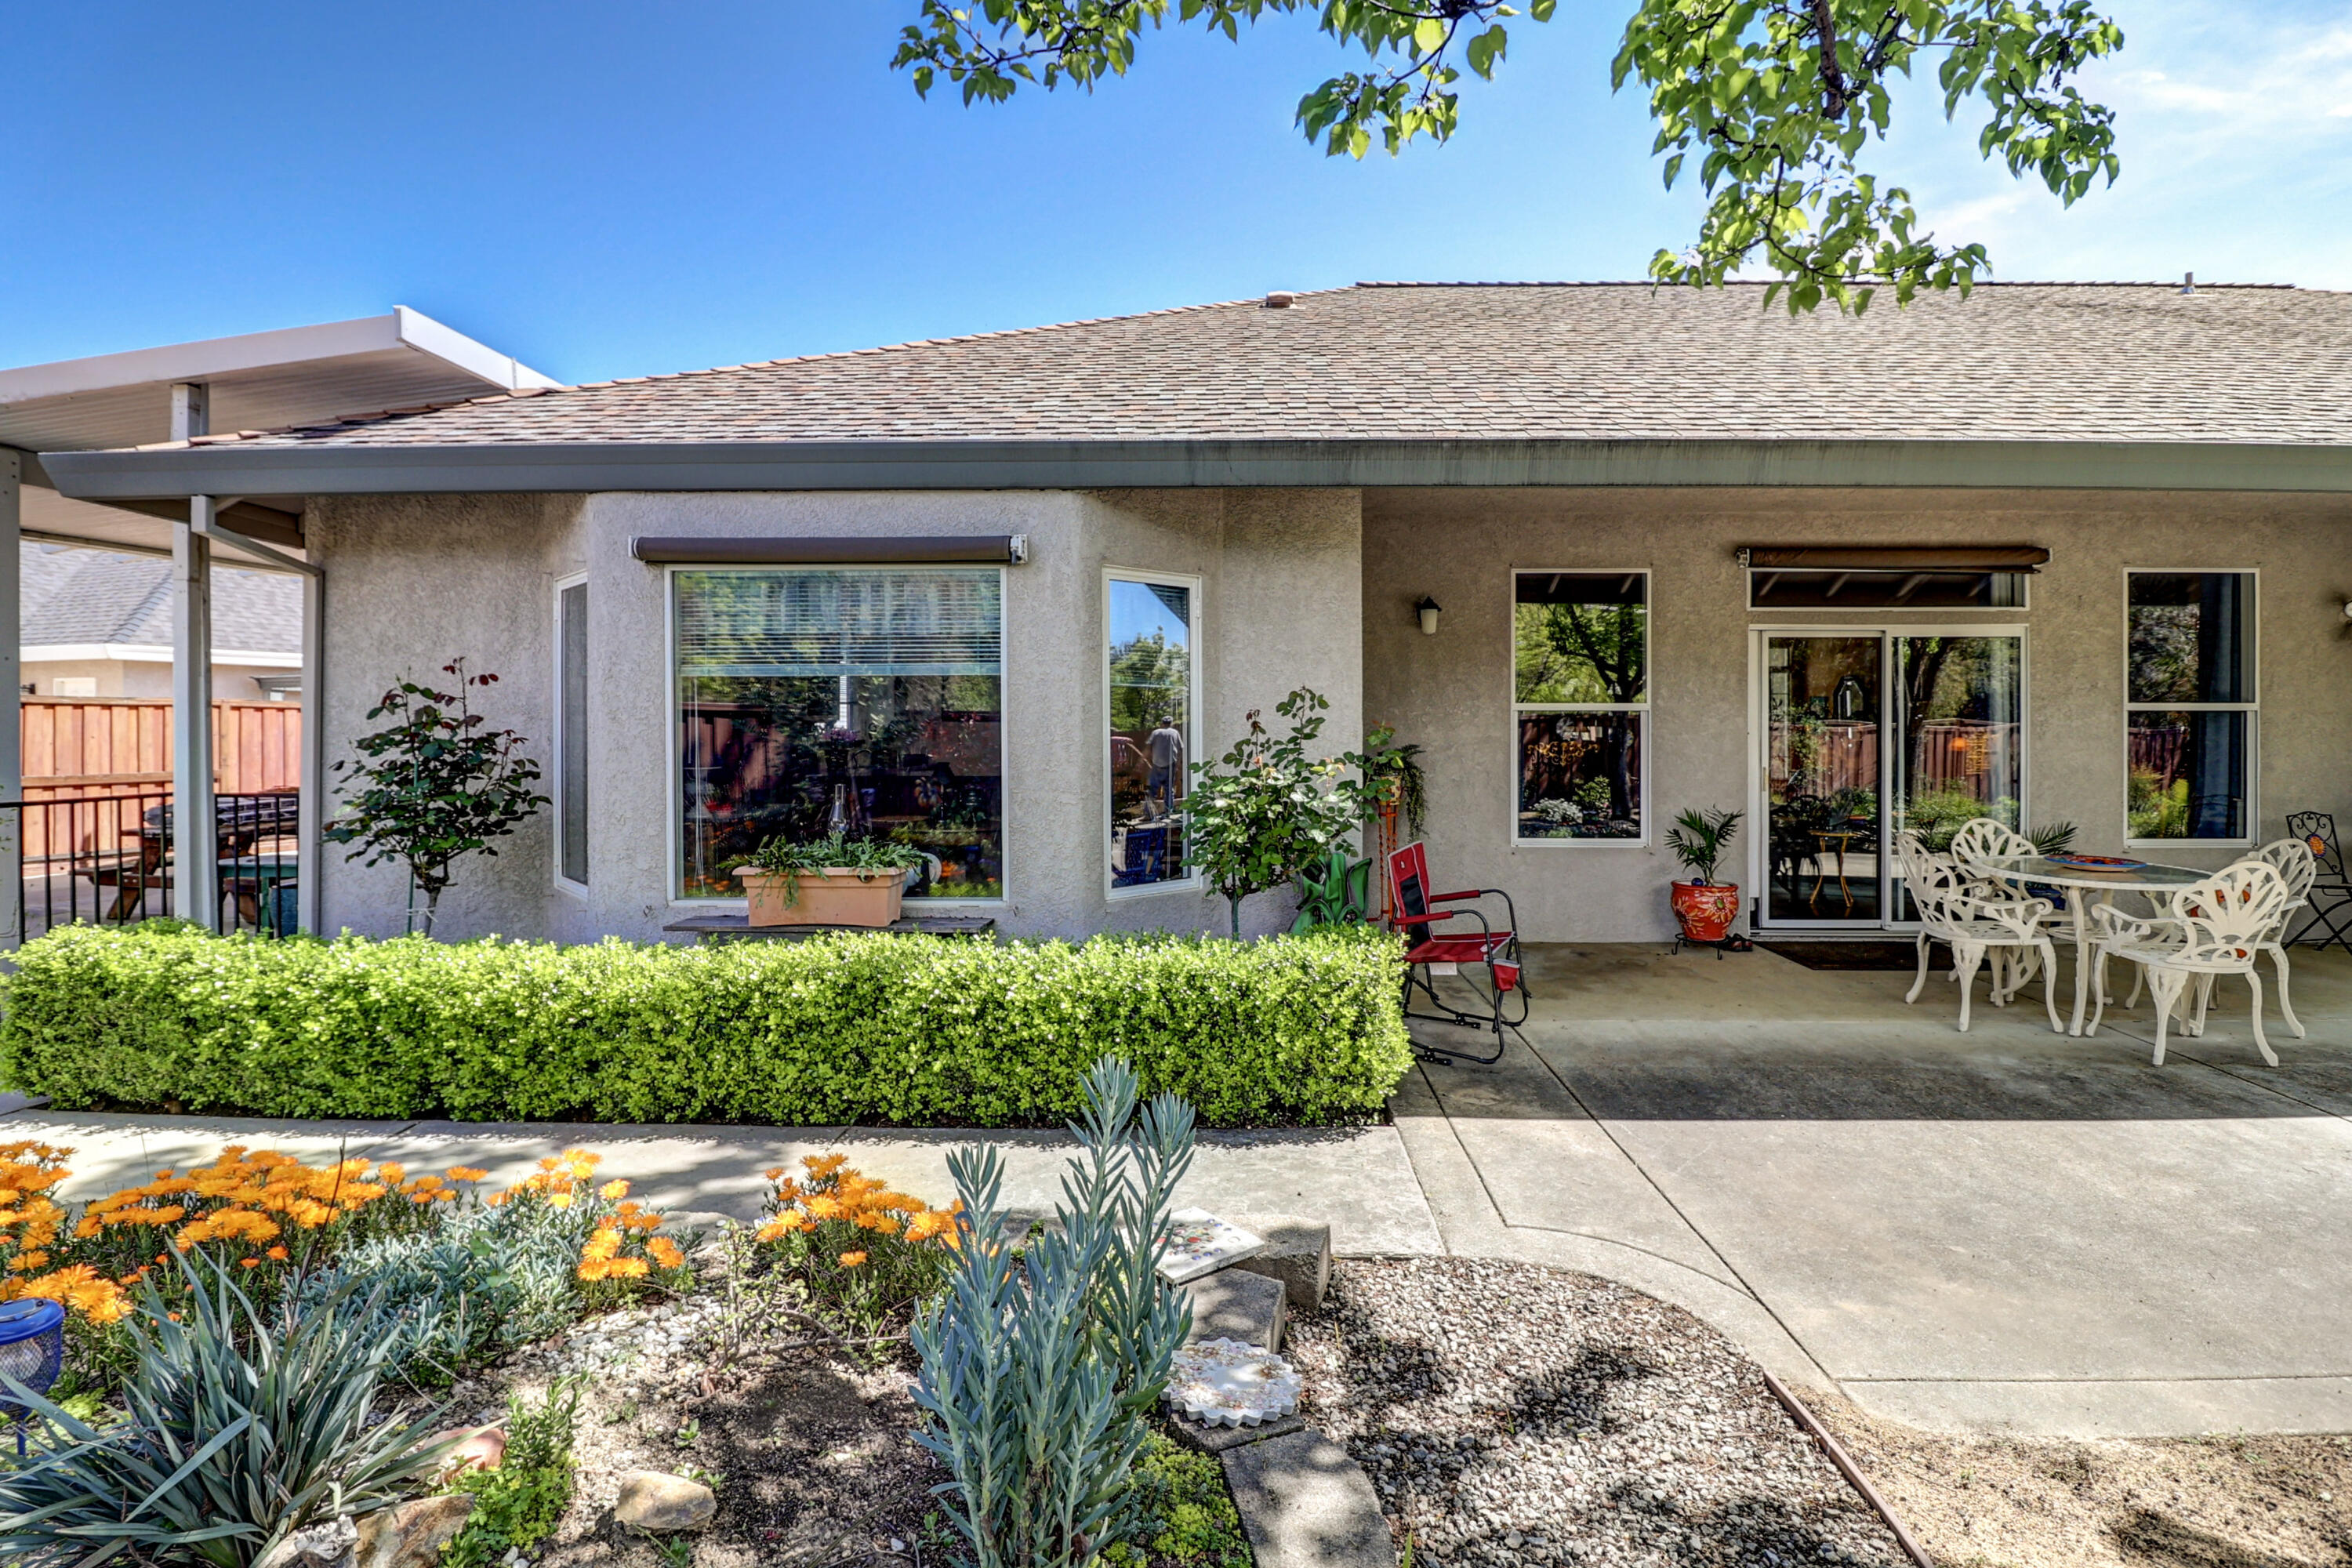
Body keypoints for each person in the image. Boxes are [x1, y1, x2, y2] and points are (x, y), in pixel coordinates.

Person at [1145, 717, 1185, 819]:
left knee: (1152, 790)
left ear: (1162, 723)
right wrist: (1178, 763)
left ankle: (1148, 814)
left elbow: (1148, 747)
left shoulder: (1156, 732)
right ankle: (1168, 812)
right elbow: (1180, 749)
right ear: (1171, 723)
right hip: (1170, 764)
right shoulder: (1175, 733)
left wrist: (1149, 760)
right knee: (1169, 790)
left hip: (1157, 764)